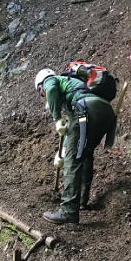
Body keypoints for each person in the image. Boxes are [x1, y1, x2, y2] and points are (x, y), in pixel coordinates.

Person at [35, 68, 116, 224]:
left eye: (41, 93)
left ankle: (68, 211)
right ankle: (81, 202)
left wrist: (57, 118)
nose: (44, 95)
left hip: (86, 110)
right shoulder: (73, 84)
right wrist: (63, 151)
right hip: (105, 111)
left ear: (40, 86)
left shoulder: (51, 80)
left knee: (73, 160)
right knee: (85, 154)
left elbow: (50, 88)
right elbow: (73, 135)